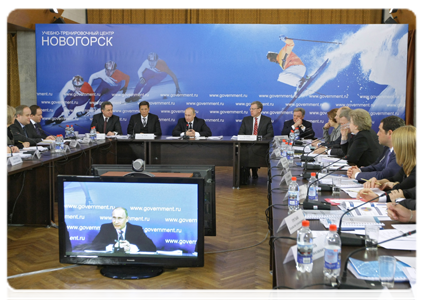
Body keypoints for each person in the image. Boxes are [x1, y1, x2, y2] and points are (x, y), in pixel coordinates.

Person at [347, 116, 404, 181]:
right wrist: (359, 170)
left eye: (380, 130)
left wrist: (357, 175)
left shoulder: (400, 152)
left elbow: (384, 175)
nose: (377, 134)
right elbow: (378, 167)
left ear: (390, 133)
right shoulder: (388, 149)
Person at [363, 125, 420, 191]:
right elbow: (393, 179)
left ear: (402, 148)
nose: (393, 150)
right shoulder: (408, 165)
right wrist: (378, 182)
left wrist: (392, 185)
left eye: (394, 145)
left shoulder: (418, 168)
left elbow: (402, 188)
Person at [90, 207, 156, 253]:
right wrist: (113, 247)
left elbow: (151, 247)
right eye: (114, 218)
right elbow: (94, 245)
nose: (116, 222)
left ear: (127, 219)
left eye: (119, 218)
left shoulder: (136, 230)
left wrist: (130, 248)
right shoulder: (106, 228)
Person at [238, 101, 274, 181]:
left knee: (255, 150)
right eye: (250, 109)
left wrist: (258, 139)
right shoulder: (246, 119)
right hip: (247, 145)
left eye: (253, 109)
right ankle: (245, 174)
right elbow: (241, 133)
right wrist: (249, 138)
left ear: (259, 110)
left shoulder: (267, 120)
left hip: (261, 146)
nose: (251, 110)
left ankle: (254, 169)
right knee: (243, 152)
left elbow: (270, 134)